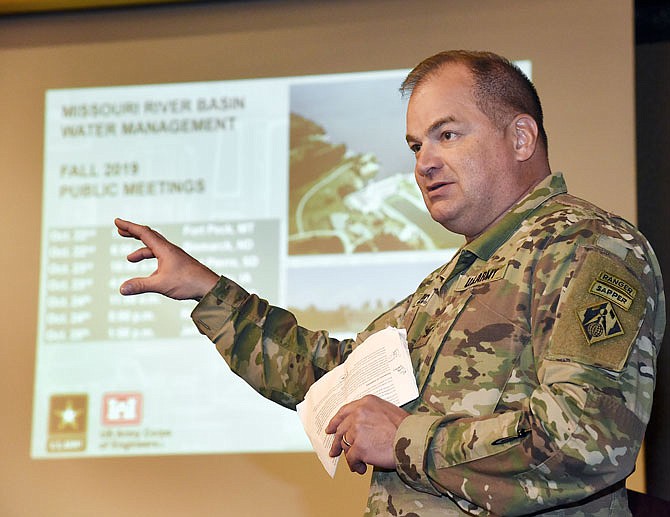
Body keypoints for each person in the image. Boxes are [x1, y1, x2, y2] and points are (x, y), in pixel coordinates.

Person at [114, 50, 665, 516]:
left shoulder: (590, 248)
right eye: (415, 146)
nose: (425, 162)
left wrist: (404, 439)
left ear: (521, 137)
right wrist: (210, 293)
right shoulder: (452, 281)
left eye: (447, 134)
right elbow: (335, 378)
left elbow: (584, 441)